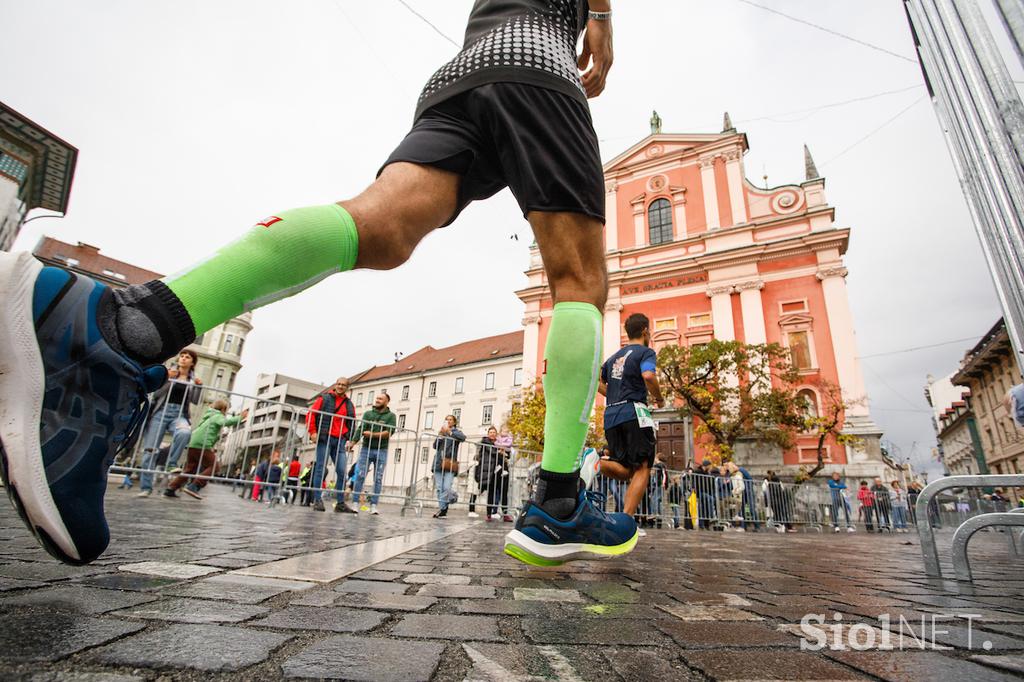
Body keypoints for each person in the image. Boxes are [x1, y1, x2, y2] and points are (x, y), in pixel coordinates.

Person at [0, 0, 627, 567]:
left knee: (379, 227)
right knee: (579, 283)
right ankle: (561, 500)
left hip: (462, 72)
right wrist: (600, 22)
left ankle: (116, 323)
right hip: (539, 62)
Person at [581, 314, 665, 522]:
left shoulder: (612, 359)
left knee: (626, 470)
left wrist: (613, 395)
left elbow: (598, 384)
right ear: (645, 330)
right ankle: (627, 521)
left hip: (611, 416)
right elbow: (648, 375)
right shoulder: (646, 352)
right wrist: (660, 398)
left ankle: (595, 462)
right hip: (635, 413)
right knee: (643, 466)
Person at [136, 349, 203, 497]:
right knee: (150, 450)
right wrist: (165, 379)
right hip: (161, 412)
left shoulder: (193, 379)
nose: (183, 359)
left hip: (179, 415)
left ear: (192, 362)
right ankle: (146, 487)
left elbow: (196, 400)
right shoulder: (169, 373)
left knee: (184, 432)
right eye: (182, 356)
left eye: (187, 357)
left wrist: (199, 386)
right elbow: (156, 394)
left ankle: (172, 463)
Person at [164, 399, 248, 499]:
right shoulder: (217, 416)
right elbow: (226, 422)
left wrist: (217, 438)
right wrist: (240, 417)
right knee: (214, 467)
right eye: (227, 410)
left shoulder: (209, 416)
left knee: (190, 469)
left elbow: (208, 432)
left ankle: (171, 488)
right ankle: (194, 486)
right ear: (223, 409)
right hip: (202, 444)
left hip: (193, 444)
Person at [306, 377, 356, 512]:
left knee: (342, 471)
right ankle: (317, 500)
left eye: (343, 385)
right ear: (335, 385)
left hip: (340, 440)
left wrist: (350, 438)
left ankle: (340, 503)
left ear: (347, 388)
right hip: (325, 437)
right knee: (320, 469)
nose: (340, 386)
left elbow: (352, 422)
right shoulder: (324, 398)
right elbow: (311, 414)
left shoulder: (349, 404)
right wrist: (312, 432)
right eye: (338, 384)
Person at [349, 392, 397, 515]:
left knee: (378, 478)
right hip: (366, 448)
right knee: (360, 475)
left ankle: (374, 505)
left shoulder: (391, 416)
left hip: (382, 449)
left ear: (387, 402)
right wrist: (353, 442)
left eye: (380, 399)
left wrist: (372, 434)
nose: (377, 400)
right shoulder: (368, 414)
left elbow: (388, 432)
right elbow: (361, 428)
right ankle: (355, 503)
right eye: (377, 398)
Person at [432, 415, 466, 518]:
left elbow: (463, 438)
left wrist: (449, 432)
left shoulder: (456, 432)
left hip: (450, 463)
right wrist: (440, 436)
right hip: (438, 462)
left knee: (447, 487)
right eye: (446, 420)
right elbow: (435, 446)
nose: (448, 421)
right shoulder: (441, 432)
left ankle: (451, 500)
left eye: (450, 420)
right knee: (439, 487)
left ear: (454, 422)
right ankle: (443, 510)